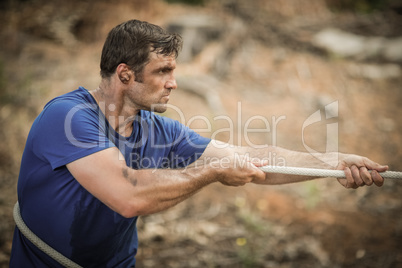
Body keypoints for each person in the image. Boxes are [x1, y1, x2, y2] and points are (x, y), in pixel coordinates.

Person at [10, 19, 388, 267]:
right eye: (163, 71)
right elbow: (129, 197)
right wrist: (212, 171)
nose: (174, 82)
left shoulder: (158, 129)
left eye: (174, 71)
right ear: (125, 74)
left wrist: (334, 162)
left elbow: (249, 157)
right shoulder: (68, 117)